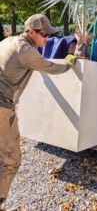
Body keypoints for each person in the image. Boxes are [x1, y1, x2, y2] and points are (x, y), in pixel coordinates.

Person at [0, 14, 73, 211]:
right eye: (44, 35)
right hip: (2, 109)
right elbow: (51, 68)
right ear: (31, 31)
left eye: (48, 35)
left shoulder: (8, 41)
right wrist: (70, 61)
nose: (47, 39)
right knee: (10, 161)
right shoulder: (26, 50)